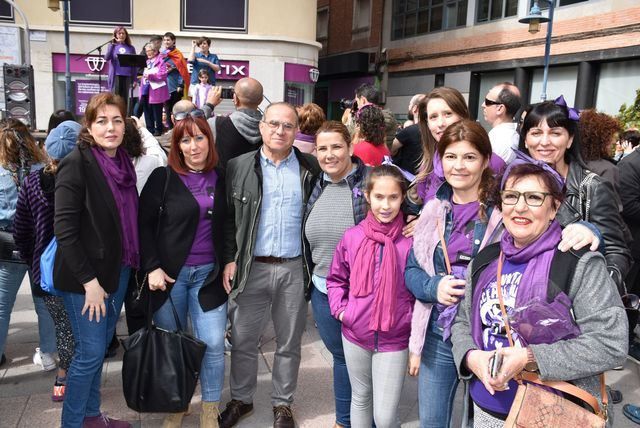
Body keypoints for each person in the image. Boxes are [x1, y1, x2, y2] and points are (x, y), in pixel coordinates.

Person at [450, 161, 628, 426]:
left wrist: (529, 357)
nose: (520, 207)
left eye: (534, 197)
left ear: (555, 207)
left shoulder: (577, 262)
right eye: (511, 196)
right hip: (487, 411)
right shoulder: (485, 260)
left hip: (555, 414)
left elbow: (610, 343)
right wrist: (470, 357)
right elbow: (463, 322)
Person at [219, 102, 320, 428]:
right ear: (261, 128)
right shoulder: (237, 166)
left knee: (289, 343)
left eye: (287, 125)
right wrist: (229, 258)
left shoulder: (310, 168)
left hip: (293, 269)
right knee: (244, 340)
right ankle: (241, 399)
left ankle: (282, 405)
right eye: (273, 124)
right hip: (252, 268)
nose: (280, 131)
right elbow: (227, 220)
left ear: (296, 131)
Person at [404, 120, 503, 427]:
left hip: (488, 336)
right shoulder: (433, 209)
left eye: (469, 157)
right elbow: (411, 270)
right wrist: (434, 287)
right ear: (440, 160)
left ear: (485, 161)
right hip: (438, 333)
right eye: (451, 156)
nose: (459, 166)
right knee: (432, 421)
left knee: (482, 422)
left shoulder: (504, 212)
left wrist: (587, 228)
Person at [139, 112, 228, 428]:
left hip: (209, 278)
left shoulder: (222, 176)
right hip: (169, 279)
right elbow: (144, 227)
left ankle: (209, 408)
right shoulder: (162, 179)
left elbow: (229, 225)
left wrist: (229, 261)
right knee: (173, 345)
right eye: (186, 140)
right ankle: (178, 404)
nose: (194, 146)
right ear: (176, 146)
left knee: (214, 343)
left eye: (199, 137)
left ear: (209, 140)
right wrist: (152, 268)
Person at [54, 92, 137, 427]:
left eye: (117, 120)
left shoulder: (123, 161)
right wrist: (90, 283)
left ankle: (90, 416)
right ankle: (72, 423)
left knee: (99, 347)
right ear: (89, 125)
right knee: (88, 355)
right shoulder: (77, 162)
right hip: (85, 278)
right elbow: (65, 230)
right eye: (102, 120)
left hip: (118, 269)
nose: (110, 127)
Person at [327, 165, 414, 428]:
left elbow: (419, 288)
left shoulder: (411, 241)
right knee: (361, 398)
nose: (385, 205)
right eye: (379, 197)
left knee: (386, 417)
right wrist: (343, 311)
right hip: (355, 333)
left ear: (402, 198)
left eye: (393, 197)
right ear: (367, 196)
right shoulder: (352, 237)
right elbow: (336, 279)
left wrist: (408, 320)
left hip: (394, 337)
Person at [518, 98, 632, 293]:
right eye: (536, 133)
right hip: (522, 291)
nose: (544, 142)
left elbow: (617, 253)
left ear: (570, 139)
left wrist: (596, 293)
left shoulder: (592, 186)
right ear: (526, 140)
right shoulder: (511, 183)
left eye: (555, 133)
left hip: (572, 295)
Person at [304, 120, 369, 428]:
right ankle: (345, 421)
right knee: (341, 359)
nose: (329, 155)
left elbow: (407, 201)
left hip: (363, 292)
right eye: (323, 148)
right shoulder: (316, 183)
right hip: (323, 289)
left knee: (365, 361)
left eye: (336, 147)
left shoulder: (371, 181)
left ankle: (367, 420)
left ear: (350, 148)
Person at [14, 120, 80, 402]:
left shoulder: (30, 182)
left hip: (47, 272)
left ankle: (62, 378)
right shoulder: (86, 181)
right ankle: (79, 379)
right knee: (85, 329)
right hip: (83, 272)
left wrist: (34, 261)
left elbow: (21, 230)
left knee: (63, 326)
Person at [0, 119, 54, 370]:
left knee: (2, 306)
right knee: (44, 303)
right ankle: (48, 353)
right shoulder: (43, 167)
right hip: (39, 244)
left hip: (7, 244)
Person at [415, 87, 505, 203]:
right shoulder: (427, 166)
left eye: (447, 114)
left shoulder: (494, 163)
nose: (440, 123)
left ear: (462, 116)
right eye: (433, 117)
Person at [205, 77, 264, 167]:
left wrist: (209, 105)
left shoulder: (217, 124)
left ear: (235, 99)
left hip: (225, 180)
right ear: (261, 100)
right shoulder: (270, 128)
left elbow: (190, 125)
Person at [579, 109, 622, 195]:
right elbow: (610, 206)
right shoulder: (607, 169)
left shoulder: (570, 163)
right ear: (602, 139)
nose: (614, 142)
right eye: (612, 137)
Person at [343, 84, 398, 149]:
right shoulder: (388, 116)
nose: (356, 105)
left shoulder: (370, 119)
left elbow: (349, 137)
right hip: (383, 156)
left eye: (357, 101)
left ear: (363, 100)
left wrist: (349, 120)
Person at [482, 83, 522, 164]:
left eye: (487, 102)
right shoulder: (508, 136)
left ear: (500, 108)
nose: (483, 105)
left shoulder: (501, 142)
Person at [162, 32, 190, 130]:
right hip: (164, 86)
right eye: (165, 40)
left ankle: (178, 129)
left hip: (175, 87)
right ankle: (170, 130)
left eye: (168, 40)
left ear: (173, 41)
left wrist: (180, 85)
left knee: (176, 110)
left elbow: (182, 70)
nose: (166, 42)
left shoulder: (178, 54)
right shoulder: (162, 54)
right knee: (167, 109)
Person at [391, 93, 425, 175]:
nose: (408, 107)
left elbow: (390, 148)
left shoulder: (409, 131)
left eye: (410, 104)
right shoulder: (432, 130)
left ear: (415, 109)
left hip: (408, 178)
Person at [105, 26, 137, 108]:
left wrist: (135, 79)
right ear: (115, 35)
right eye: (119, 33)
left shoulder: (130, 48)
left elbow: (134, 64)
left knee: (125, 99)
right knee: (115, 98)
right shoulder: (112, 46)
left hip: (127, 75)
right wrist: (112, 45)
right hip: (116, 75)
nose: (121, 35)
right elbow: (107, 58)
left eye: (123, 33)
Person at [142, 42, 169, 136]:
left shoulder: (160, 61)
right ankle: (150, 129)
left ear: (155, 51)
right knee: (147, 110)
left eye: (150, 51)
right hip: (146, 88)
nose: (148, 53)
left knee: (157, 111)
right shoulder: (147, 62)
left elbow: (163, 75)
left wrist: (150, 76)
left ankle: (158, 130)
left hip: (156, 90)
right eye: (147, 51)